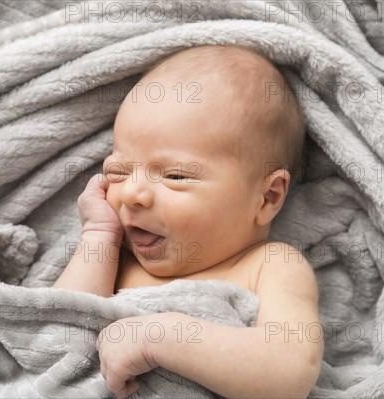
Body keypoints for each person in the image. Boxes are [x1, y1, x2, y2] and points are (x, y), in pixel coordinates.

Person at [53, 45, 323, 398]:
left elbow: (291, 370)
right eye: (118, 171)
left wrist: (162, 337)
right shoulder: (115, 258)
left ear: (267, 197)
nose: (133, 193)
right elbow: (53, 337)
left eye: (176, 176)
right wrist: (98, 234)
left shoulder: (270, 266)